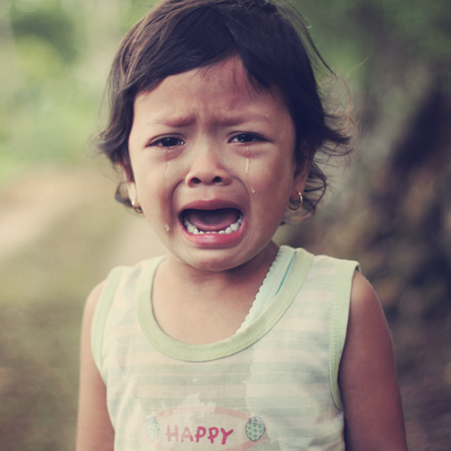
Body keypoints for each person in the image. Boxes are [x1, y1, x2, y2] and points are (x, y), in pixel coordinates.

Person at [76, 0, 408, 450]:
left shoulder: (340, 307)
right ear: (129, 172)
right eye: (169, 140)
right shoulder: (110, 312)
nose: (206, 169)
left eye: (244, 137)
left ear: (299, 164)